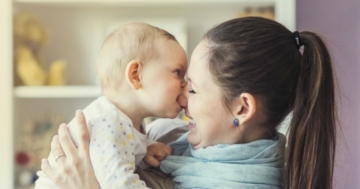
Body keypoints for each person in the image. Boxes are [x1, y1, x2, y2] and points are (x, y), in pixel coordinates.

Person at [40, 17, 337, 189]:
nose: (181, 99)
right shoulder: (166, 135)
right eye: (181, 80)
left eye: (193, 89)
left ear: (242, 109)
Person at [35, 22, 187, 189]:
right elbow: (120, 183)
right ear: (136, 75)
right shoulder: (109, 123)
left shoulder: (123, 121)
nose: (185, 85)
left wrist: (144, 148)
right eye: (177, 72)